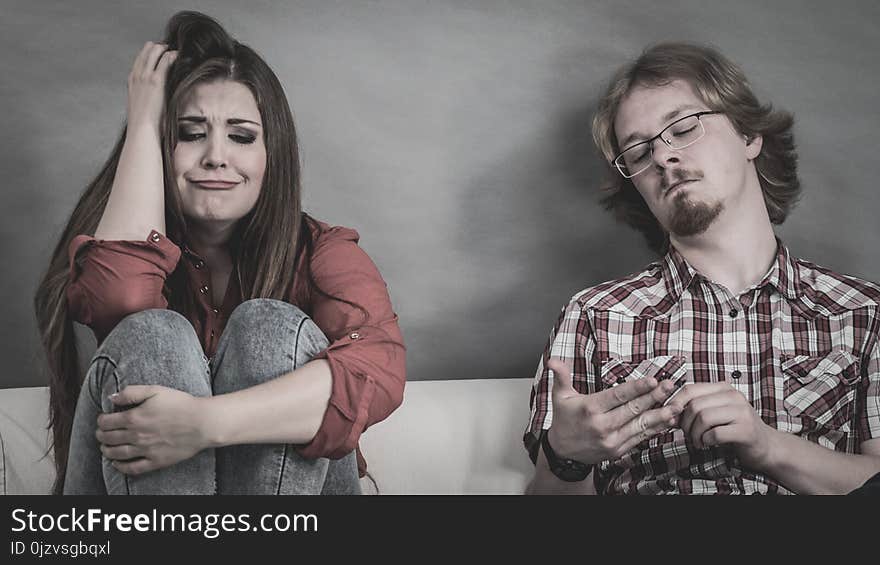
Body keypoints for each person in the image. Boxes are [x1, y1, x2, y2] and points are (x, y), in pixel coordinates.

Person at [33, 11, 405, 495]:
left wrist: (203, 424)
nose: (215, 155)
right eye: (189, 133)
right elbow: (120, 298)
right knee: (151, 333)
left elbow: (377, 373)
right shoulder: (114, 237)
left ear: (273, 155)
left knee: (269, 327)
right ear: (163, 149)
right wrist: (145, 122)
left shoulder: (320, 252)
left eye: (241, 136)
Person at [523, 42, 880, 494]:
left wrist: (767, 446)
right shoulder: (593, 316)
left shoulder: (867, 314)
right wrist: (565, 457)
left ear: (748, 136)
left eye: (684, 127)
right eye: (638, 153)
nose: (662, 157)